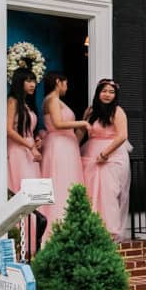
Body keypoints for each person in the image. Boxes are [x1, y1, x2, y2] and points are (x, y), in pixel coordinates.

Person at [81, 77, 131, 240]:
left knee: (108, 193)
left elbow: (123, 135)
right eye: (104, 91)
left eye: (111, 92)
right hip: (90, 155)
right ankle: (91, 228)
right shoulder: (90, 112)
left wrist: (105, 154)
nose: (107, 95)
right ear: (98, 93)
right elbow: (81, 133)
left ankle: (110, 232)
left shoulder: (117, 111)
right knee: (90, 192)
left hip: (111, 156)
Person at [40, 71, 88, 232]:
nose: (67, 87)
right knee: (60, 182)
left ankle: (71, 224)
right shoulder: (52, 100)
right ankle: (58, 225)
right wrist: (81, 122)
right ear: (58, 82)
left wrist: (84, 120)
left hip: (67, 146)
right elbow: (58, 123)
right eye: (65, 83)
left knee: (68, 182)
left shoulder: (56, 100)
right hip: (59, 146)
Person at [5, 68, 44, 253]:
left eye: (34, 81)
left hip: (29, 151)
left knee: (32, 193)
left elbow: (27, 130)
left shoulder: (27, 105)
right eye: (28, 80)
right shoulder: (12, 101)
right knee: (22, 190)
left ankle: (32, 241)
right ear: (19, 82)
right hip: (18, 152)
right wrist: (29, 146)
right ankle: (20, 242)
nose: (32, 84)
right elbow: (9, 130)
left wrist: (35, 140)